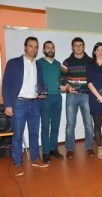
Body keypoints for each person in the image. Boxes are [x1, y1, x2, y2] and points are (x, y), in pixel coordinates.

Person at [3, 36, 49, 176]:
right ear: (25, 47)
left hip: (34, 103)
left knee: (34, 134)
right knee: (17, 136)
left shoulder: (39, 65)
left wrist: (42, 93)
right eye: (30, 46)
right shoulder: (13, 63)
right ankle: (17, 164)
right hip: (18, 104)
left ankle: (35, 159)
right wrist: (8, 105)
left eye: (36, 47)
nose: (33, 49)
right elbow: (6, 85)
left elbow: (40, 84)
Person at [62, 37, 94, 159]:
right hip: (71, 96)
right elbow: (61, 77)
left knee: (88, 124)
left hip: (86, 95)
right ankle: (70, 148)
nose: (78, 47)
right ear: (72, 47)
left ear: (84, 47)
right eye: (76, 45)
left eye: (80, 45)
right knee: (70, 124)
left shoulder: (91, 61)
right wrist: (67, 86)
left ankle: (89, 147)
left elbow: (94, 77)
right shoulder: (67, 62)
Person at [37, 41, 64, 163]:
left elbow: (61, 80)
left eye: (52, 47)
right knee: (45, 126)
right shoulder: (38, 63)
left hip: (57, 97)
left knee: (55, 125)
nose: (50, 50)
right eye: (48, 48)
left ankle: (53, 149)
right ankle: (46, 152)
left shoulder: (58, 64)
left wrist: (63, 86)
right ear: (43, 50)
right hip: (45, 99)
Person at [86, 42, 102, 159]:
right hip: (94, 98)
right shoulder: (90, 65)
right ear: (94, 52)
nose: (100, 52)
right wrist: (99, 97)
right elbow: (89, 84)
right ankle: (99, 148)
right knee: (97, 125)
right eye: (98, 50)